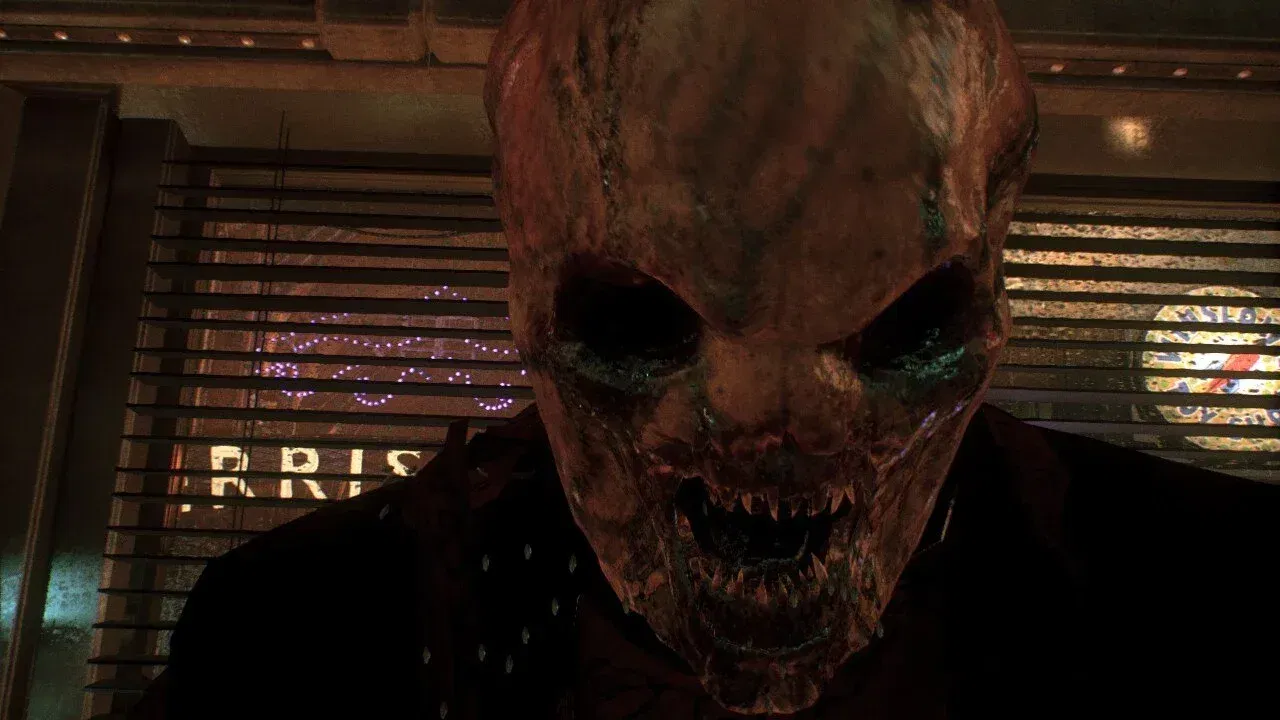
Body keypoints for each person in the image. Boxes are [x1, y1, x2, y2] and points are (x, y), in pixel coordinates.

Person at [132, 0, 1280, 717]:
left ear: (990, 277)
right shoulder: (296, 640)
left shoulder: (1221, 602)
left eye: (895, 323)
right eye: (641, 321)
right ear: (527, 283)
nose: (772, 425)